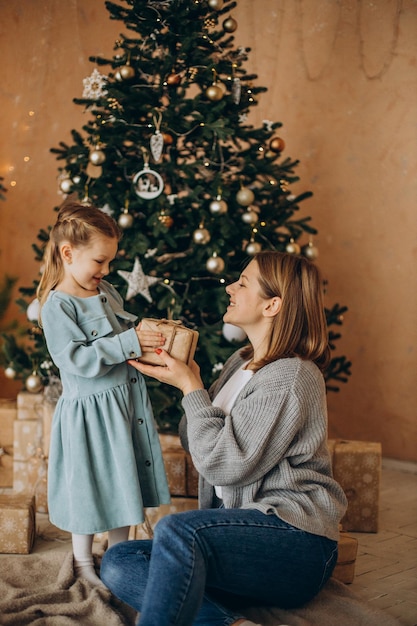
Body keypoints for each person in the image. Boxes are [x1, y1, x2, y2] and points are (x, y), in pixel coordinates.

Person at [100, 250, 348, 626]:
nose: (231, 286)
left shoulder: (292, 375)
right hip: (242, 537)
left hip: (297, 544)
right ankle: (230, 623)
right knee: (120, 562)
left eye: (243, 282)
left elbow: (226, 465)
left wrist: (191, 387)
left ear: (273, 305)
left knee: (178, 531)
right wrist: (189, 383)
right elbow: (197, 443)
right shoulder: (240, 362)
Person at [37, 202, 171, 587]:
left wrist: (145, 335)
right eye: (100, 261)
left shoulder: (106, 290)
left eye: (110, 262)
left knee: (122, 484)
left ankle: (119, 559)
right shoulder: (57, 305)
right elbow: (76, 358)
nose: (106, 271)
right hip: (89, 415)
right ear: (68, 253)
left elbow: (122, 330)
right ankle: (82, 562)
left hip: (122, 407)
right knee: (90, 485)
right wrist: (129, 343)